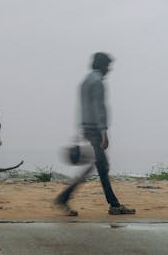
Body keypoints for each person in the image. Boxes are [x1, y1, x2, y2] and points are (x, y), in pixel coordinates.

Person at [55, 52, 136, 216]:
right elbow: (99, 108)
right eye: (108, 65)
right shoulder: (98, 82)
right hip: (95, 130)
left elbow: (83, 108)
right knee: (100, 166)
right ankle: (65, 198)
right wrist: (104, 132)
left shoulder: (85, 82)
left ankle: (113, 204)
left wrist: (81, 129)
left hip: (87, 128)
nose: (109, 69)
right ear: (101, 65)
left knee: (100, 166)